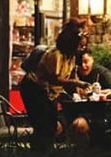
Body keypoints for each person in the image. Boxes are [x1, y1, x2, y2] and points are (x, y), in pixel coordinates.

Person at [19, 18, 91, 149]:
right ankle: (38, 156)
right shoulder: (56, 55)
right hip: (34, 88)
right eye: (80, 45)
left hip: (50, 92)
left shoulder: (71, 57)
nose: (82, 48)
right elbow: (54, 78)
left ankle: (47, 155)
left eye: (83, 46)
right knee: (43, 125)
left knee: (51, 124)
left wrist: (80, 91)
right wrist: (77, 83)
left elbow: (70, 74)